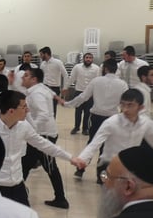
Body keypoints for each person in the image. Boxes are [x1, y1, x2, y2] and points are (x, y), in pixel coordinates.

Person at [74, 88, 153, 185]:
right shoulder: (111, 122)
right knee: (113, 195)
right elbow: (95, 143)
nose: (125, 109)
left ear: (140, 107)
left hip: (131, 167)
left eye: (130, 105)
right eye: (123, 105)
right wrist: (82, 158)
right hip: (108, 166)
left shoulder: (145, 123)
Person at [21, 67, 70, 209]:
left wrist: (33, 129)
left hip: (45, 134)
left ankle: (61, 199)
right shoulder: (40, 88)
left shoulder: (36, 94)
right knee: (25, 163)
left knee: (50, 167)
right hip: (42, 134)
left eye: (26, 75)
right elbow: (51, 92)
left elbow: (43, 114)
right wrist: (57, 98)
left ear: (34, 79)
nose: (22, 77)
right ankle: (17, 192)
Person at [68, 52, 100, 135]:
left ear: (92, 59)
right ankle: (76, 127)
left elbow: (98, 81)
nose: (88, 59)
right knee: (78, 111)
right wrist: (66, 87)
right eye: (87, 57)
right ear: (83, 59)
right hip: (79, 92)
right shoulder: (77, 67)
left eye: (90, 58)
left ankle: (85, 128)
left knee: (87, 112)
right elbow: (72, 78)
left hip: (90, 94)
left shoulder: (96, 68)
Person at [38, 46, 68, 115]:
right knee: (44, 108)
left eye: (41, 54)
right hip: (45, 87)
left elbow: (65, 75)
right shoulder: (42, 64)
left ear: (46, 54)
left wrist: (65, 88)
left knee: (53, 109)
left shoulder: (58, 62)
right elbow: (41, 77)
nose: (40, 56)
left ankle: (52, 121)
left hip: (55, 88)